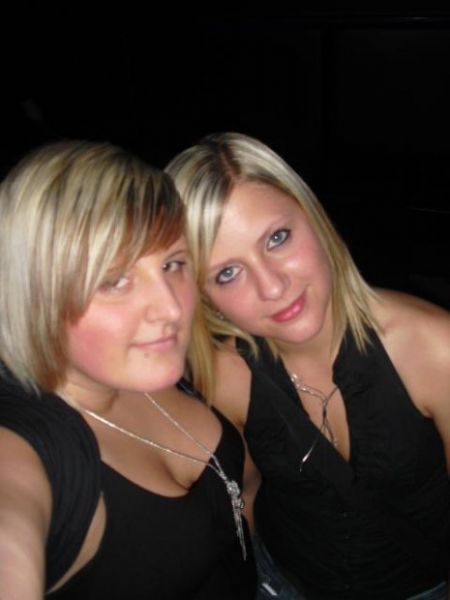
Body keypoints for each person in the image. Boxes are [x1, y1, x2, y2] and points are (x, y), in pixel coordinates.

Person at [166, 132, 450, 600]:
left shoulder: (433, 349)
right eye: (227, 273)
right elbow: (245, 501)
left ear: (314, 219)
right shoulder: (225, 376)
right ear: (204, 297)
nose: (273, 287)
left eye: (277, 238)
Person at [0, 140, 257, 599]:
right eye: (115, 280)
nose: (172, 308)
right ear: (35, 294)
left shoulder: (150, 364)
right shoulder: (28, 447)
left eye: (173, 264)